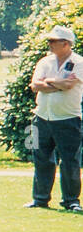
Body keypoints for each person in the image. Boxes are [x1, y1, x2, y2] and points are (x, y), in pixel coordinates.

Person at [25, 25, 82, 212]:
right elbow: (35, 85)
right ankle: (40, 198)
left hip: (68, 118)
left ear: (66, 44)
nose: (49, 44)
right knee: (41, 158)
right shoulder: (44, 62)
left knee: (70, 161)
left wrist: (48, 82)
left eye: (53, 41)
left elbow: (69, 85)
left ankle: (71, 200)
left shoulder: (79, 63)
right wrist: (56, 83)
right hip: (42, 117)